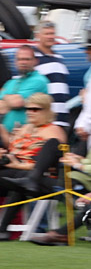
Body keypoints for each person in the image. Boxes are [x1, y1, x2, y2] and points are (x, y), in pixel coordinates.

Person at [30, 103, 91, 246]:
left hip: (83, 185)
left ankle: (58, 232)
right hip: (84, 183)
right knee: (41, 181)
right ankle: (59, 232)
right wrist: (80, 159)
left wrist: (77, 164)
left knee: (40, 182)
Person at [0, 93, 68, 240]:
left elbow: (49, 165)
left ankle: (2, 229)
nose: (30, 112)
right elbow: (13, 155)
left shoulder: (54, 131)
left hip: (42, 179)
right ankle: (2, 229)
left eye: (35, 109)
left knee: (23, 181)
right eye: (28, 108)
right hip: (16, 174)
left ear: (47, 111)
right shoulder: (24, 128)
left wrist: (19, 165)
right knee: (18, 181)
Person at [0, 46, 49, 133]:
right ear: (15, 62)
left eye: (27, 59)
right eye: (20, 59)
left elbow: (17, 102)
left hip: (28, 137)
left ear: (35, 61)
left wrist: (5, 97)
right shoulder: (11, 82)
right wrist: (9, 100)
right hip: (6, 136)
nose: (23, 62)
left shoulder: (39, 81)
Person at [33, 20, 71, 129]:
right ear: (37, 36)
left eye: (52, 33)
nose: (51, 37)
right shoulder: (33, 58)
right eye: (47, 34)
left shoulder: (60, 58)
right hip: (46, 121)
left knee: (62, 147)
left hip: (63, 120)